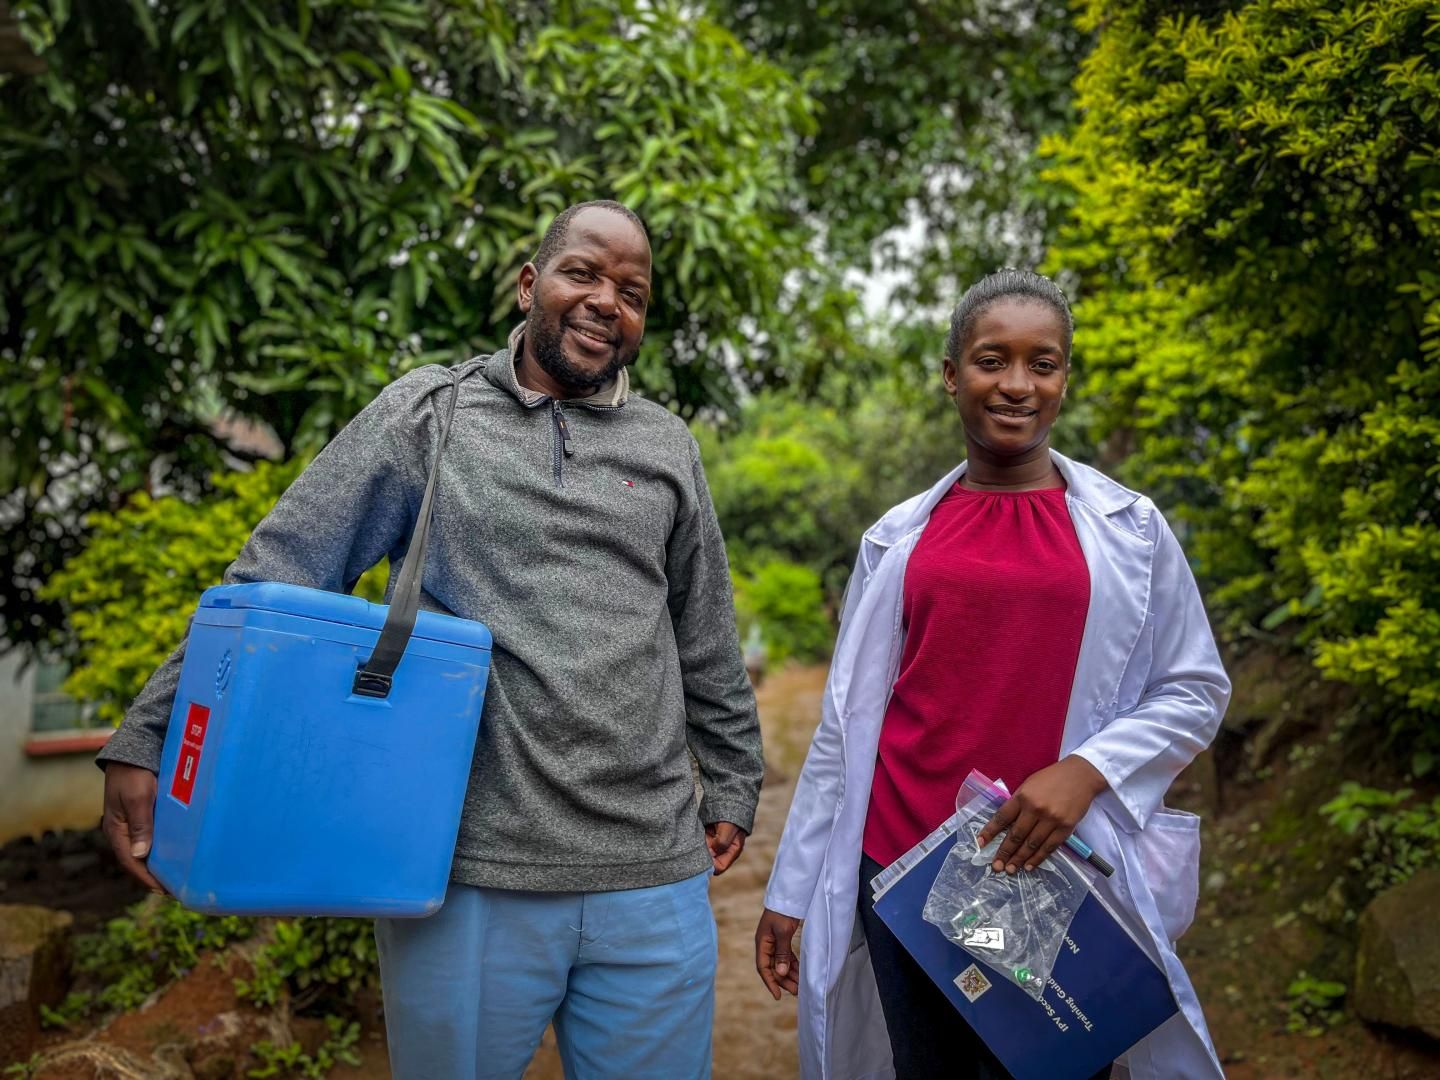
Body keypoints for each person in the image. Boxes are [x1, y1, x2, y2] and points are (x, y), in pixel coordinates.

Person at [98, 200, 763, 1080]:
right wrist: (149, 735)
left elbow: (705, 635)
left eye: (632, 291)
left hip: (652, 872)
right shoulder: (431, 413)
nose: (608, 301)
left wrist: (735, 779)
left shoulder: (666, 444)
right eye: (584, 274)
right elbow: (281, 571)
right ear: (530, 285)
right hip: (466, 872)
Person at [754, 270, 1231, 1080]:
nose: (1017, 384)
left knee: (1050, 1065)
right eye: (990, 360)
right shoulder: (900, 539)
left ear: (1064, 379)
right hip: (902, 867)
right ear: (951, 375)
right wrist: (792, 887)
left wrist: (1088, 771)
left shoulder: (1131, 532)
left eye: (1042, 364)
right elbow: (847, 726)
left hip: (1038, 874)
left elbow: (1194, 688)